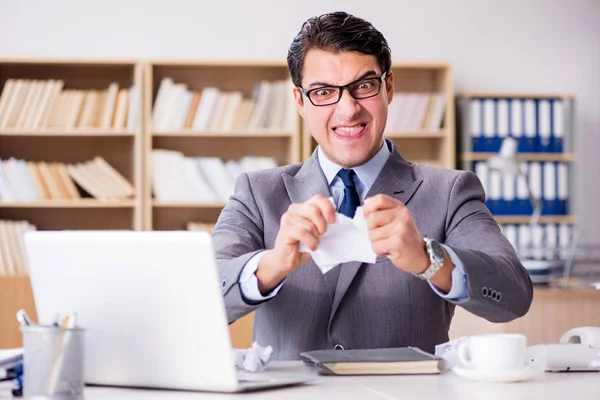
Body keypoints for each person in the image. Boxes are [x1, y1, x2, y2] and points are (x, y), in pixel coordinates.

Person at [213, 11, 533, 360]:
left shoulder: (449, 191)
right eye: (323, 92)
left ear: (388, 87)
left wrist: (429, 259)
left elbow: (513, 296)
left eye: (363, 86)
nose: (348, 110)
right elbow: (199, 296)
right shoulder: (257, 193)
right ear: (300, 102)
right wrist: (271, 266)